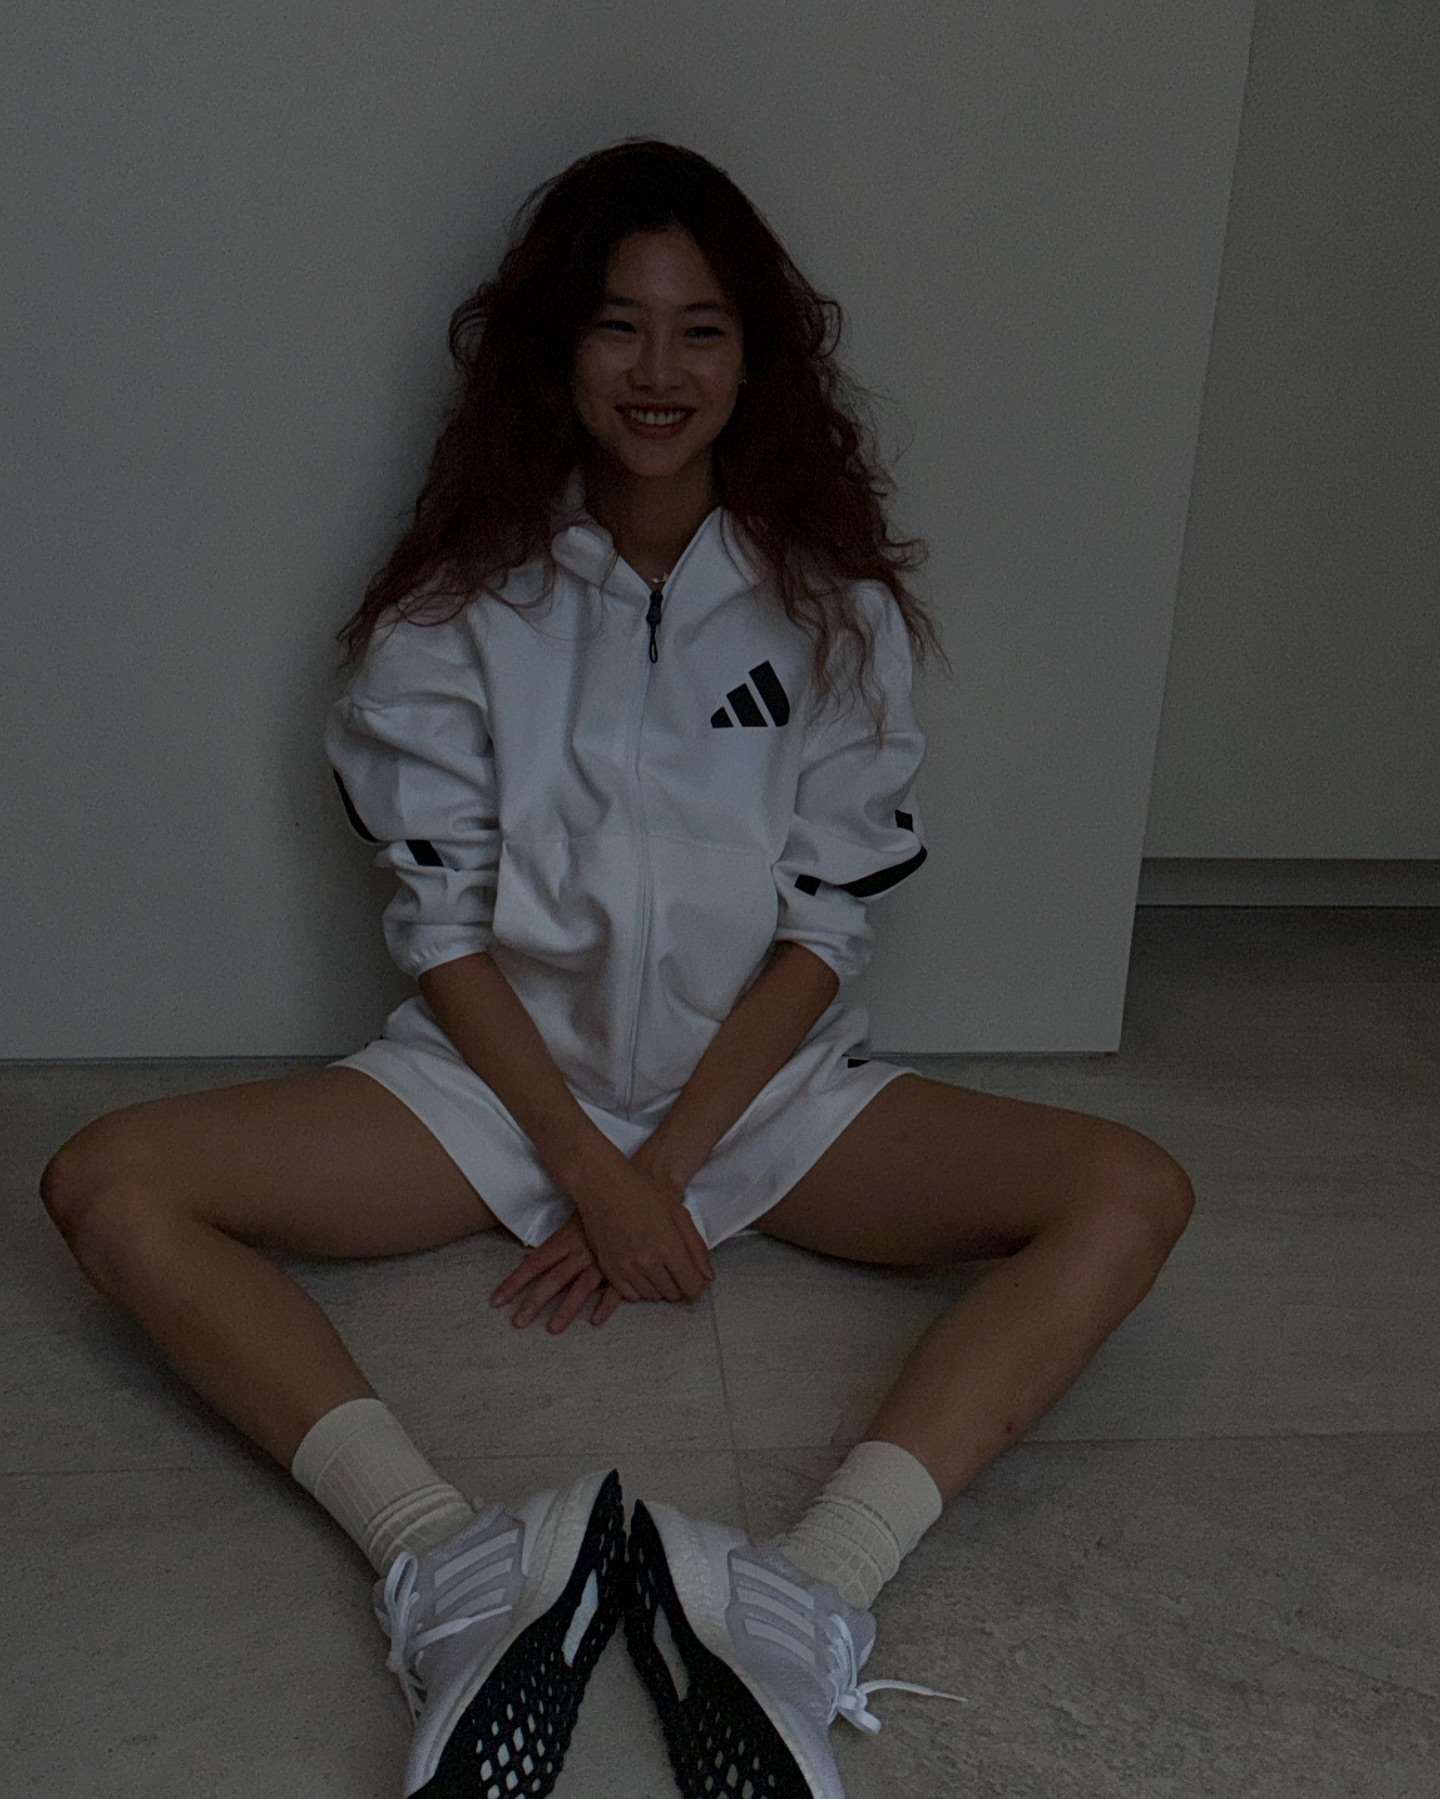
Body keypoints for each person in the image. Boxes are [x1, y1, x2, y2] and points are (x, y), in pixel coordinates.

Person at [40, 138, 1196, 1799]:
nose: (660, 371)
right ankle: (450, 1565)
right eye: (619, 326)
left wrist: (668, 1170)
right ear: (555, 350)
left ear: (754, 359)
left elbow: (825, 924)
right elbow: (443, 931)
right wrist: (588, 1167)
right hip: (498, 1093)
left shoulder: (832, 611)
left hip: (760, 1100)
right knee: (107, 1183)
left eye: (701, 330)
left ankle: (804, 1596)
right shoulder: (451, 612)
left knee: (1131, 1192)